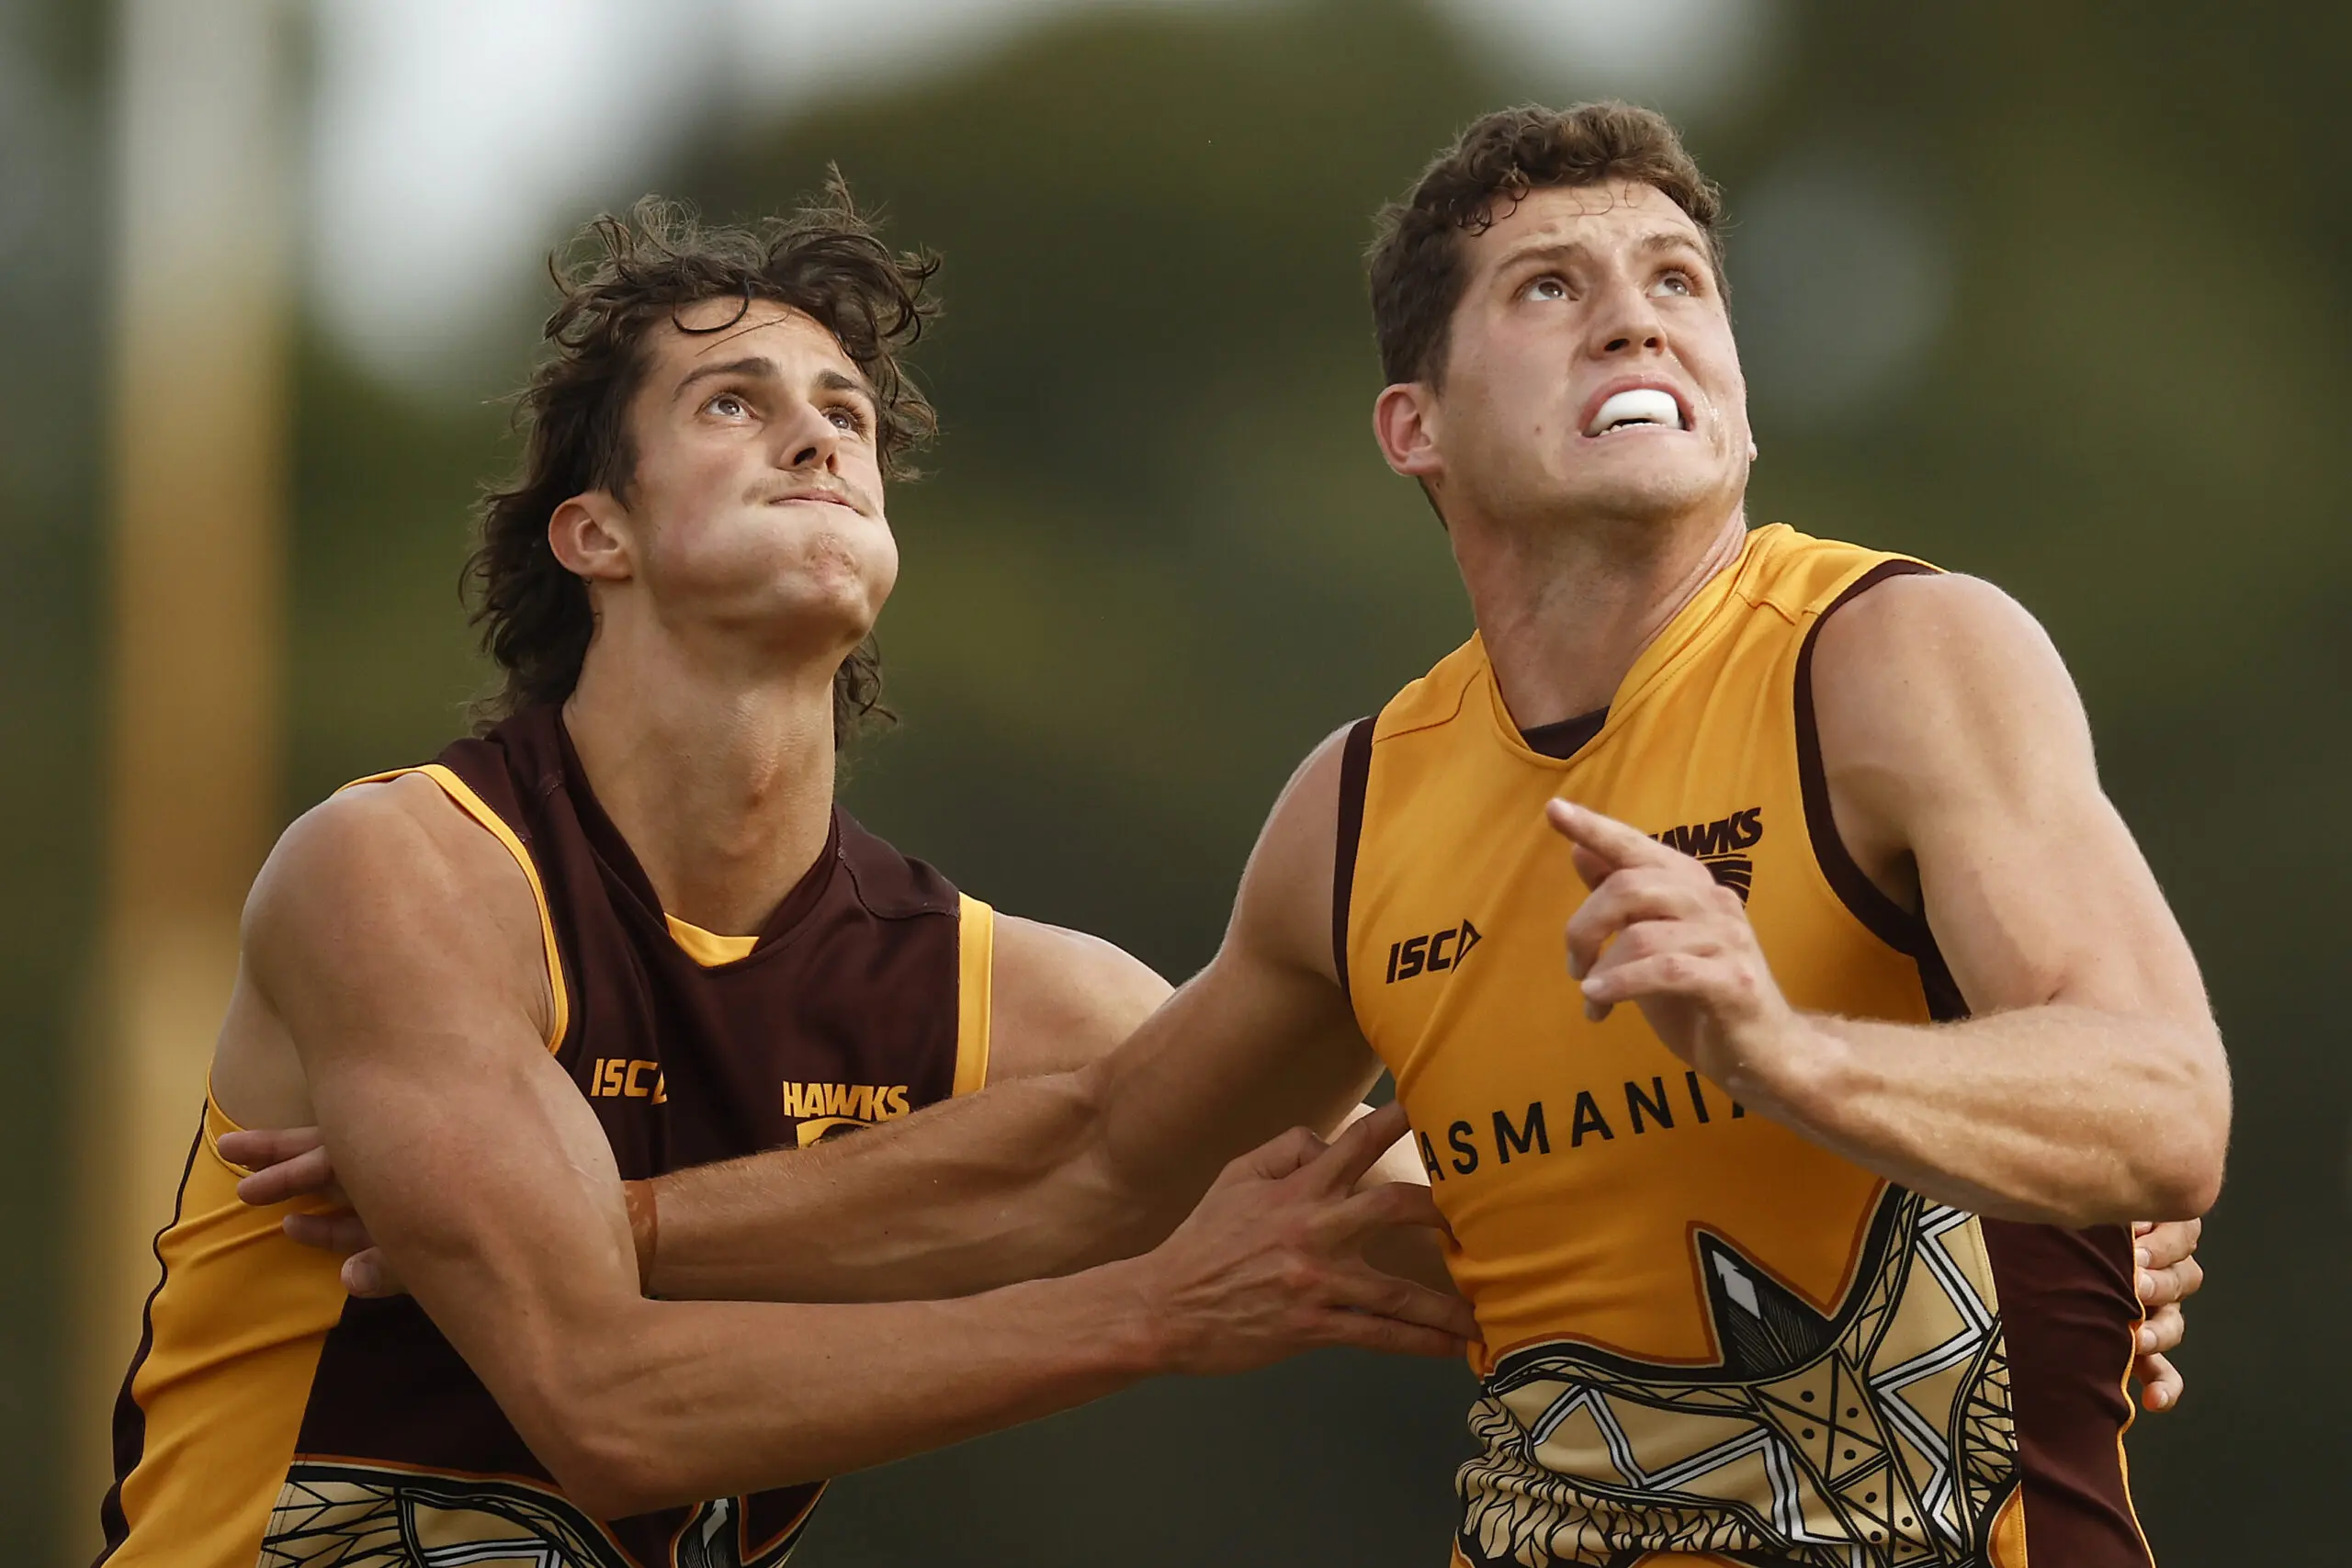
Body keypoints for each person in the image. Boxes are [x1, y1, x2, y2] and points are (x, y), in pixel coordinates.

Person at [244, 106, 2222, 1567]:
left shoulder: (1888, 654)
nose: (1639, 324)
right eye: (1554, 290)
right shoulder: (1362, 805)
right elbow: (1101, 1157)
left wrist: (1795, 1056)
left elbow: (2155, 1091)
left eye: (1677, 285)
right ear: (1411, 426)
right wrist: (592, 1225)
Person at [93, 189, 1475, 1567]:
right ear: (597, 535)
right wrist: (1155, 1310)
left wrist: (1674, 1043)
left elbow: (1463, 1215)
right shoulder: (409, 870)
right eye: (730, 405)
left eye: (846, 414)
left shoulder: (1000, 993)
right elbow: (604, 1404)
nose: (818, 433)